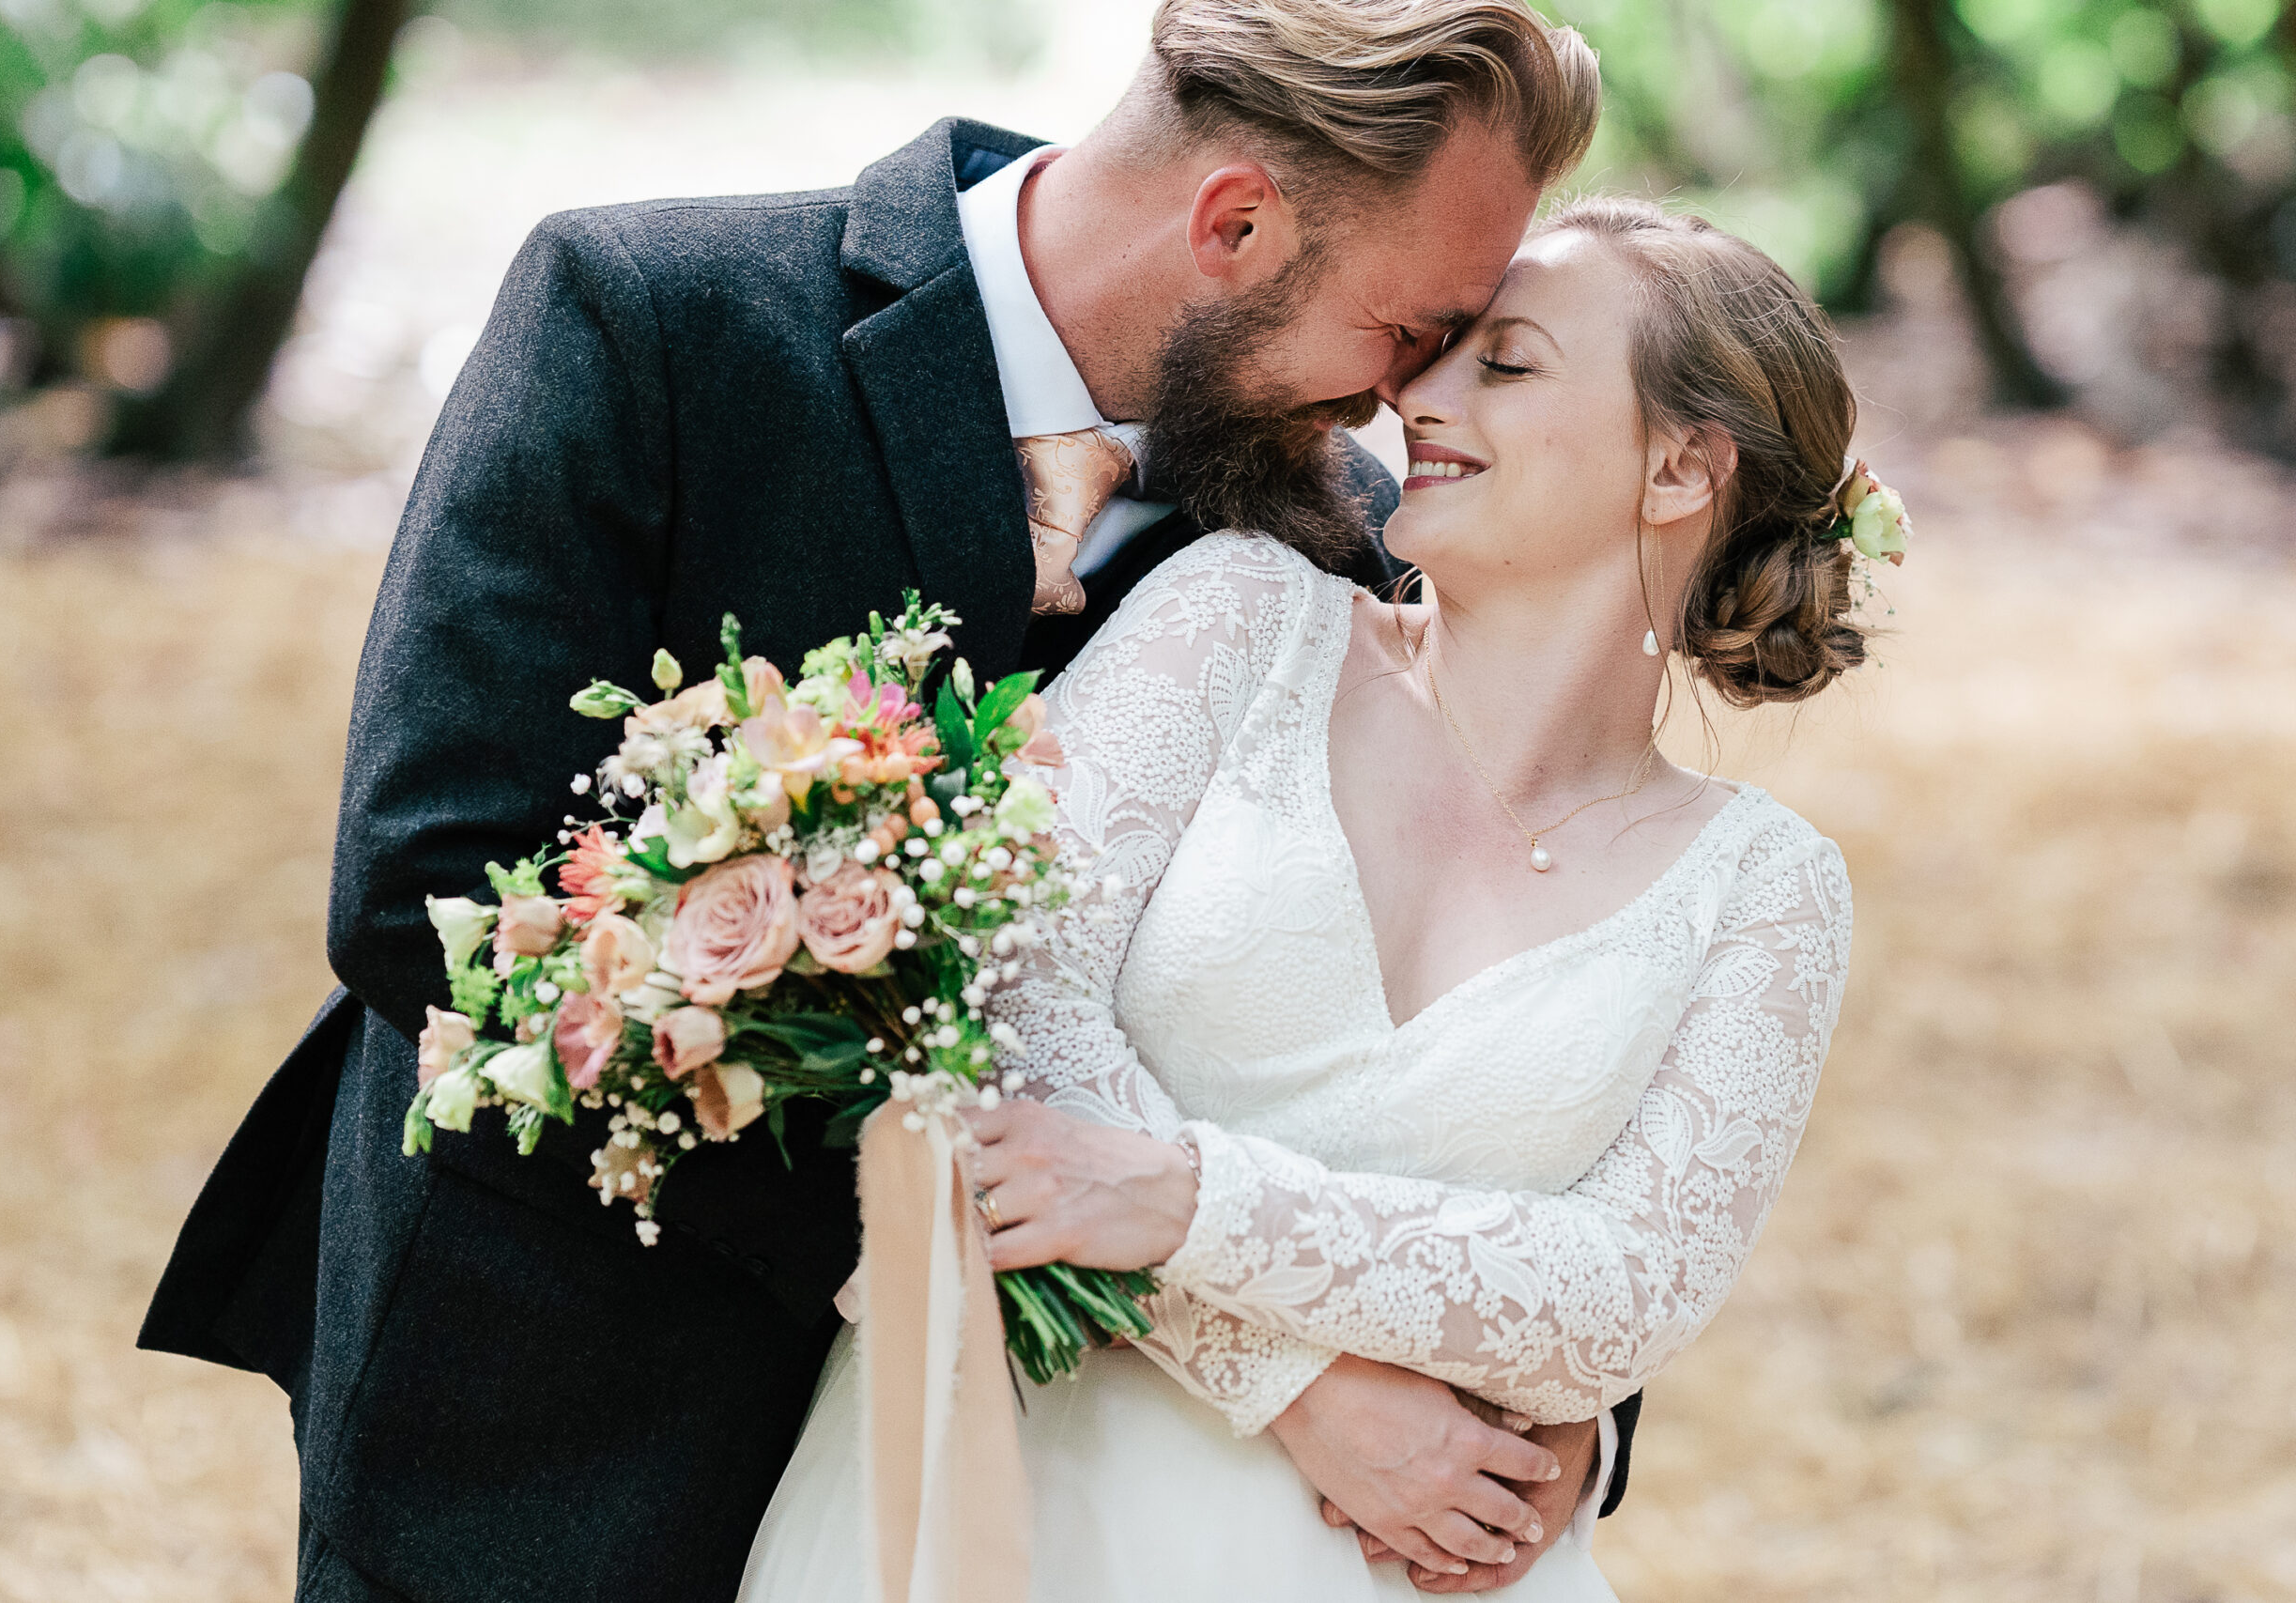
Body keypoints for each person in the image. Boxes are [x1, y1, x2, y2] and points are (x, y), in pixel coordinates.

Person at [136, 2, 1632, 1598]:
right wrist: (1250, 1358)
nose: (1406, 403)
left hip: (1068, 1513)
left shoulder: (1346, 536)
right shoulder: (651, 319)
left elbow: (1465, 981)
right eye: (1407, 332)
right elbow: (430, 892)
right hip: (560, 1422)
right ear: (1236, 223)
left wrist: (1546, 1419)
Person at [737, 198, 1868, 1601]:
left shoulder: (1765, 890)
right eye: (1438, 348)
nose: (1415, 393)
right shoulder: (1239, 621)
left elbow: (1619, 1297)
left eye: (1503, 364)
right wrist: (1291, 1382)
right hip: (1012, 1508)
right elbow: (999, 1012)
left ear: (1684, 465)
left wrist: (1182, 1198)